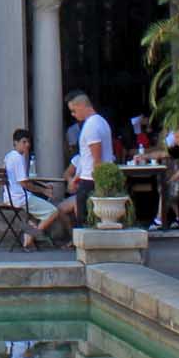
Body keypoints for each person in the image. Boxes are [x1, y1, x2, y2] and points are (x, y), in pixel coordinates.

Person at [35, 92, 109, 247]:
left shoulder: (91, 126)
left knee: (84, 217)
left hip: (91, 180)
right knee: (84, 215)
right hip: (90, 177)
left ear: (82, 106)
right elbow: (89, 158)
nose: (73, 115)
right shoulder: (100, 122)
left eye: (74, 110)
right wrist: (78, 177)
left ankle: (86, 247)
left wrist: (96, 180)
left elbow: (96, 157)